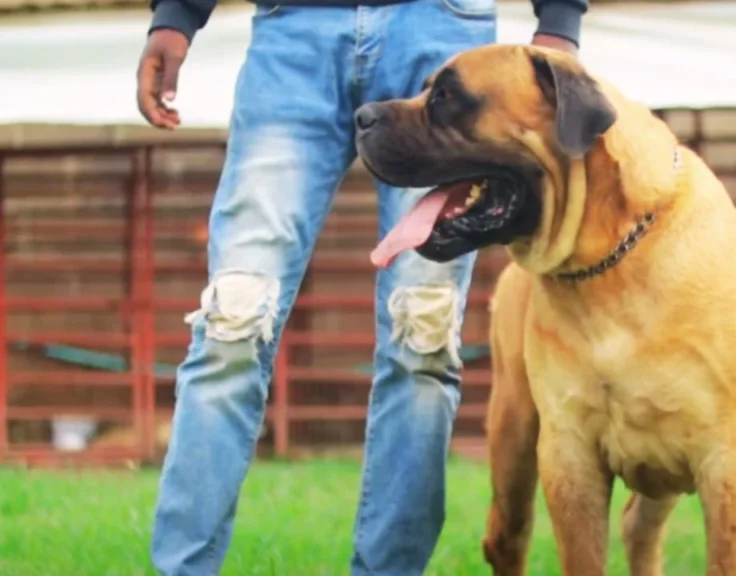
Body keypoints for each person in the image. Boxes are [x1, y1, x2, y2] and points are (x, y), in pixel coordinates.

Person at [135, 0, 587, 572]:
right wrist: (177, 15)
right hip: (291, 35)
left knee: (421, 335)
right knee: (233, 321)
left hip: (439, 27)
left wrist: (560, 19)